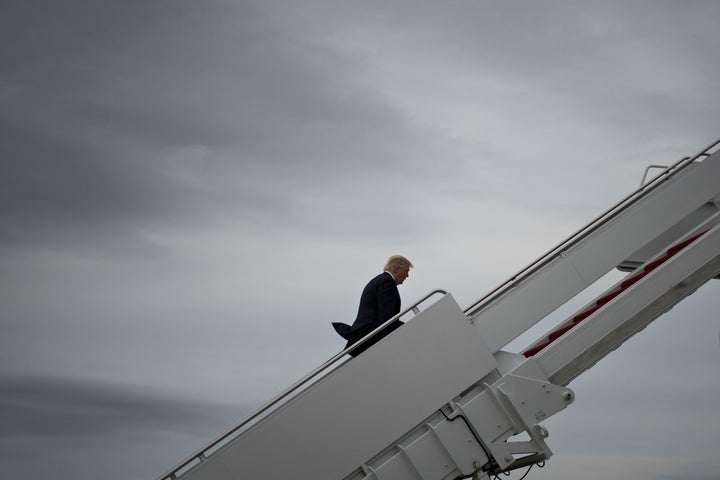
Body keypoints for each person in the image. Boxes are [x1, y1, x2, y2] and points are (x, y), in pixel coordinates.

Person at [332, 255, 413, 357]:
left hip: (365, 337)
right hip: (371, 339)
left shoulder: (379, 280)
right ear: (397, 269)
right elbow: (386, 317)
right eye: (406, 271)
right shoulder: (387, 282)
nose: (407, 275)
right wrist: (392, 341)